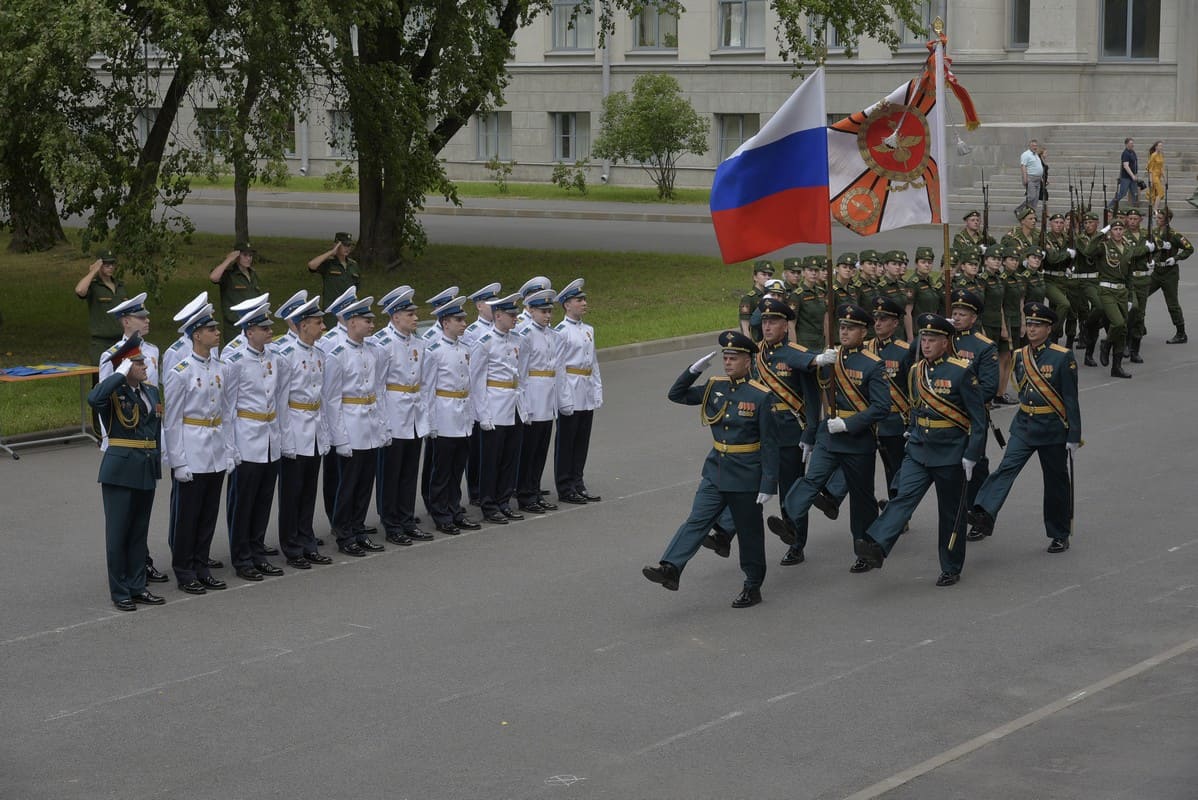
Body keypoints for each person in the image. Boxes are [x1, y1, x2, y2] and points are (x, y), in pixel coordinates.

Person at [642, 331, 779, 609]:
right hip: (716, 470)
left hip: (745, 475)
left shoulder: (761, 396)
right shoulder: (714, 386)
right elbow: (676, 395)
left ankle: (753, 585)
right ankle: (671, 568)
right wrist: (695, 370)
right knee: (696, 521)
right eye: (725, 358)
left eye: (734, 358)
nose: (727, 362)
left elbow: (770, 445)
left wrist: (768, 484)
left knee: (749, 533)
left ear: (748, 361)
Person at [853, 313, 987, 586]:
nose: (925, 344)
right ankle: (877, 545)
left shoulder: (962, 371)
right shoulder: (916, 371)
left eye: (932, 339)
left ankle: (950, 565)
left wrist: (973, 454)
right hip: (919, 449)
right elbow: (916, 405)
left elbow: (979, 419)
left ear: (946, 342)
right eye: (923, 339)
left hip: (951, 452)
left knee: (950, 512)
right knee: (902, 497)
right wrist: (912, 429)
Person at [773, 304, 890, 572]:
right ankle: (790, 521)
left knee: (861, 498)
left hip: (857, 438)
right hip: (829, 434)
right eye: (842, 327)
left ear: (864, 331)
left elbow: (881, 407)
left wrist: (848, 424)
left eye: (851, 328)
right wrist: (816, 360)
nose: (845, 332)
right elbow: (791, 358)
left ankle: (864, 547)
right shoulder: (829, 357)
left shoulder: (873, 364)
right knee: (812, 479)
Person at [968, 303, 1081, 554]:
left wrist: (1074, 435)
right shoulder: (1020, 356)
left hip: (1052, 429)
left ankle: (1059, 533)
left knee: (1056, 484)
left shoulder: (1063, 357)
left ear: (1048, 328)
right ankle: (983, 514)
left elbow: (1071, 400)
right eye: (1029, 324)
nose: (1031, 329)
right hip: (1024, 426)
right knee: (1005, 469)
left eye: (1036, 325)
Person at [87, 334, 166, 611]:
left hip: (145, 466)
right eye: (138, 362)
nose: (145, 366)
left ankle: (137, 585)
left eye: (144, 360)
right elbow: (93, 398)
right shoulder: (112, 394)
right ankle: (120, 590)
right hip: (120, 469)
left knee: (138, 533)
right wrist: (118, 373)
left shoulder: (151, 392)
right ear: (124, 367)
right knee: (118, 533)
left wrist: (157, 461)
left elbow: (154, 430)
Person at [98, 293, 169, 584]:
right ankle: (135, 566)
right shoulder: (112, 355)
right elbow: (103, 400)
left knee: (142, 507)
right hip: (124, 439)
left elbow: (153, 396)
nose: (147, 320)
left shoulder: (151, 350)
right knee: (126, 511)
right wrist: (110, 441)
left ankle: (141, 563)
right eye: (141, 317)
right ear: (126, 321)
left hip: (148, 438)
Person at [164, 303, 229, 595]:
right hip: (192, 448)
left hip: (214, 448)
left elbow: (225, 413)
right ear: (196, 335)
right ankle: (185, 568)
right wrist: (177, 461)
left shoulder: (220, 368)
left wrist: (228, 450)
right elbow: (172, 420)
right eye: (210, 330)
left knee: (208, 514)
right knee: (187, 516)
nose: (217, 333)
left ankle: (202, 565)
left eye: (216, 328)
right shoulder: (181, 371)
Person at [221, 301, 285, 582]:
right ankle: (242, 556)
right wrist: (230, 445)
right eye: (264, 327)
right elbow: (228, 406)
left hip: (269, 434)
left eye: (269, 326)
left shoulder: (274, 358)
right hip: (246, 436)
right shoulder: (235, 361)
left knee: (263, 500)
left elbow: (279, 398)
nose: (270, 331)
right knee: (243, 501)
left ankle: (258, 551)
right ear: (249, 331)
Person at [322, 296, 387, 556]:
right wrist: (340, 437)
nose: (371, 324)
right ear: (351, 323)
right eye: (366, 320)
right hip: (350, 423)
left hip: (369, 422)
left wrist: (382, 427)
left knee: (364, 482)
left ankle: (359, 528)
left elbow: (378, 390)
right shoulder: (337, 354)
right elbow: (332, 399)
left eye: (371, 320)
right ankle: (344, 532)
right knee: (348, 484)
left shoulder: (373, 351)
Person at [274, 296, 335, 568]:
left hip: (313, 429)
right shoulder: (286, 356)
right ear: (303, 325)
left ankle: (307, 540)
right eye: (318, 323)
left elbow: (321, 396)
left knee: (309, 490)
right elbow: (281, 401)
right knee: (292, 493)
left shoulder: (320, 355)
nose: (323, 327)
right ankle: (292, 545)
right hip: (295, 429)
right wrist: (285, 437)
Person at [370, 287, 433, 546]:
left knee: (409, 470)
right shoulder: (382, 344)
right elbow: (378, 386)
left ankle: (407, 519)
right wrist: (382, 421)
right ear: (395, 317)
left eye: (415, 314)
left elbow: (425, 383)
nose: (415, 318)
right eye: (410, 314)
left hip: (414, 412)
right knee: (391, 472)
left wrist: (426, 418)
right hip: (394, 413)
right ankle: (391, 522)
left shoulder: (419, 342)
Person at [420, 296, 482, 534]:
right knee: (442, 469)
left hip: (462, 414)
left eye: (464, 318)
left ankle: (455, 509)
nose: (463, 323)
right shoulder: (434, 351)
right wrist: (431, 422)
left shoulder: (465, 348)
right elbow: (428, 388)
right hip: (444, 413)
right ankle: (441, 513)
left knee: (457, 468)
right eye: (458, 319)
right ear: (445, 323)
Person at [470, 292, 525, 525]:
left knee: (510, 457)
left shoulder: (517, 340)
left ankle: (504, 500)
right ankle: (489, 503)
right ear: (498, 315)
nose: (515, 318)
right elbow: (476, 381)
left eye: (516, 314)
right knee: (491, 459)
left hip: (513, 404)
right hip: (494, 405)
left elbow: (521, 376)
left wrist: (525, 407)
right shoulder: (484, 343)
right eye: (511, 315)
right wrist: (482, 414)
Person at [514, 289, 566, 515]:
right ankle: (525, 494)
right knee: (529, 449)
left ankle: (534, 490)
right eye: (542, 311)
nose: (547, 316)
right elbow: (521, 373)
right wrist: (523, 404)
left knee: (541, 449)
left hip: (548, 398)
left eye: (549, 311)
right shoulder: (524, 334)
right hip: (533, 397)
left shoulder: (552, 335)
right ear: (531, 310)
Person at [1084, 217, 1153, 379]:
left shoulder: (1128, 248)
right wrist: (1102, 232)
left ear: (1124, 231)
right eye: (1114, 229)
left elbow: (1129, 276)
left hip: (1122, 292)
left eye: (1120, 229)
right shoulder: (1104, 247)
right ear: (1110, 231)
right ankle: (1106, 343)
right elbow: (1088, 251)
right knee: (1119, 323)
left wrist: (1129, 297)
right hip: (1107, 291)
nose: (1118, 232)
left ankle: (1117, 367)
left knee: (1122, 331)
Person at [554, 279, 603, 505]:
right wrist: (563, 398)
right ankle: (565, 486)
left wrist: (597, 390)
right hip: (570, 390)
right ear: (566, 305)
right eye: (578, 300)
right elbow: (559, 367)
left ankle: (578, 481)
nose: (584, 303)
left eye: (584, 299)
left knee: (582, 440)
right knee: (567, 441)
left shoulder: (588, 330)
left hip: (585, 389)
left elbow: (592, 362)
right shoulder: (561, 332)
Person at [461, 282, 502, 507]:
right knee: (476, 447)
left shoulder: (502, 329)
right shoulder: (472, 332)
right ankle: (475, 490)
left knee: (493, 447)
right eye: (489, 302)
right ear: (479, 305)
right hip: (477, 393)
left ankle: (495, 486)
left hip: (496, 394)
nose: (494, 306)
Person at [1148, 207, 1194, 344]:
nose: (1157, 220)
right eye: (1156, 218)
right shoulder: (1154, 232)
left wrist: (1176, 258)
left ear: (1167, 220)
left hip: (1170, 274)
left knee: (1172, 304)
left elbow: (1189, 248)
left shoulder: (1174, 234)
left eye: (1160, 218)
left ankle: (1181, 333)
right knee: (1141, 296)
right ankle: (1137, 326)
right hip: (1156, 272)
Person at [75, 250, 129, 365]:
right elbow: (80, 290)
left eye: (112, 264)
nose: (110, 267)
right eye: (106, 265)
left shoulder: (120, 286)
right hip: (101, 343)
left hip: (121, 340)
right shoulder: (94, 286)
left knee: (122, 378)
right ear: (99, 265)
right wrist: (93, 271)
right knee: (100, 378)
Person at [209, 242, 264, 344]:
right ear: (237, 256)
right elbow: (213, 277)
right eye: (245, 255)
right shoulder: (229, 274)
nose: (249, 258)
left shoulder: (253, 274)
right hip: (235, 327)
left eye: (250, 255)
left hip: (253, 324)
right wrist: (229, 259)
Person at [307, 232, 360, 328]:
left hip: (349, 312)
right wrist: (331, 252)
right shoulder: (328, 264)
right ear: (336, 245)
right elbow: (312, 265)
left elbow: (356, 288)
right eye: (344, 245)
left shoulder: (354, 265)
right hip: (332, 314)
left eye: (349, 245)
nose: (347, 248)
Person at [739, 260, 774, 341]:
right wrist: (750, 346)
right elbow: (745, 325)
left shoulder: (772, 296)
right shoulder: (749, 298)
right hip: (756, 341)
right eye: (763, 274)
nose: (767, 277)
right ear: (755, 277)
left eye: (770, 275)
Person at [910, 246, 943, 316]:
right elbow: (908, 312)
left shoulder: (930, 280)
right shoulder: (912, 283)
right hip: (918, 324)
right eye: (923, 262)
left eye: (930, 262)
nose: (927, 265)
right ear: (916, 264)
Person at [1109, 137, 1140, 210]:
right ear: (1126, 144)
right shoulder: (1125, 153)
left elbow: (1135, 164)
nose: (1132, 145)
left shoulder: (1133, 152)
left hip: (1133, 177)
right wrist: (1132, 175)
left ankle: (1135, 210)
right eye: (1131, 143)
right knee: (1122, 193)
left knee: (1135, 193)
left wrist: (1135, 174)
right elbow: (1126, 166)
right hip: (1126, 177)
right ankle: (1109, 207)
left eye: (1133, 143)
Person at [1019, 139, 1044, 216]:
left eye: (1036, 146)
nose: (1035, 147)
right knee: (1031, 197)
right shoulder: (1026, 154)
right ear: (1029, 146)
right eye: (1033, 146)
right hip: (1030, 178)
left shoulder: (1036, 154)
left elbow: (1038, 166)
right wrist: (1025, 178)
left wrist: (1041, 177)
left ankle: (1032, 215)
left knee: (1036, 199)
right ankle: (1019, 209)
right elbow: (1023, 166)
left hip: (1038, 179)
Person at [1146, 141, 1165, 215]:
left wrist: (1164, 178)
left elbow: (1161, 167)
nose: (1161, 147)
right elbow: (1150, 168)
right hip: (1154, 175)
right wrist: (1150, 179)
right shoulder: (1153, 155)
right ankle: (1155, 209)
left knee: (1155, 193)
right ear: (1156, 147)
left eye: (1161, 146)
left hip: (1159, 175)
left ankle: (1153, 209)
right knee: (1160, 192)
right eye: (1159, 146)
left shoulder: (1160, 155)